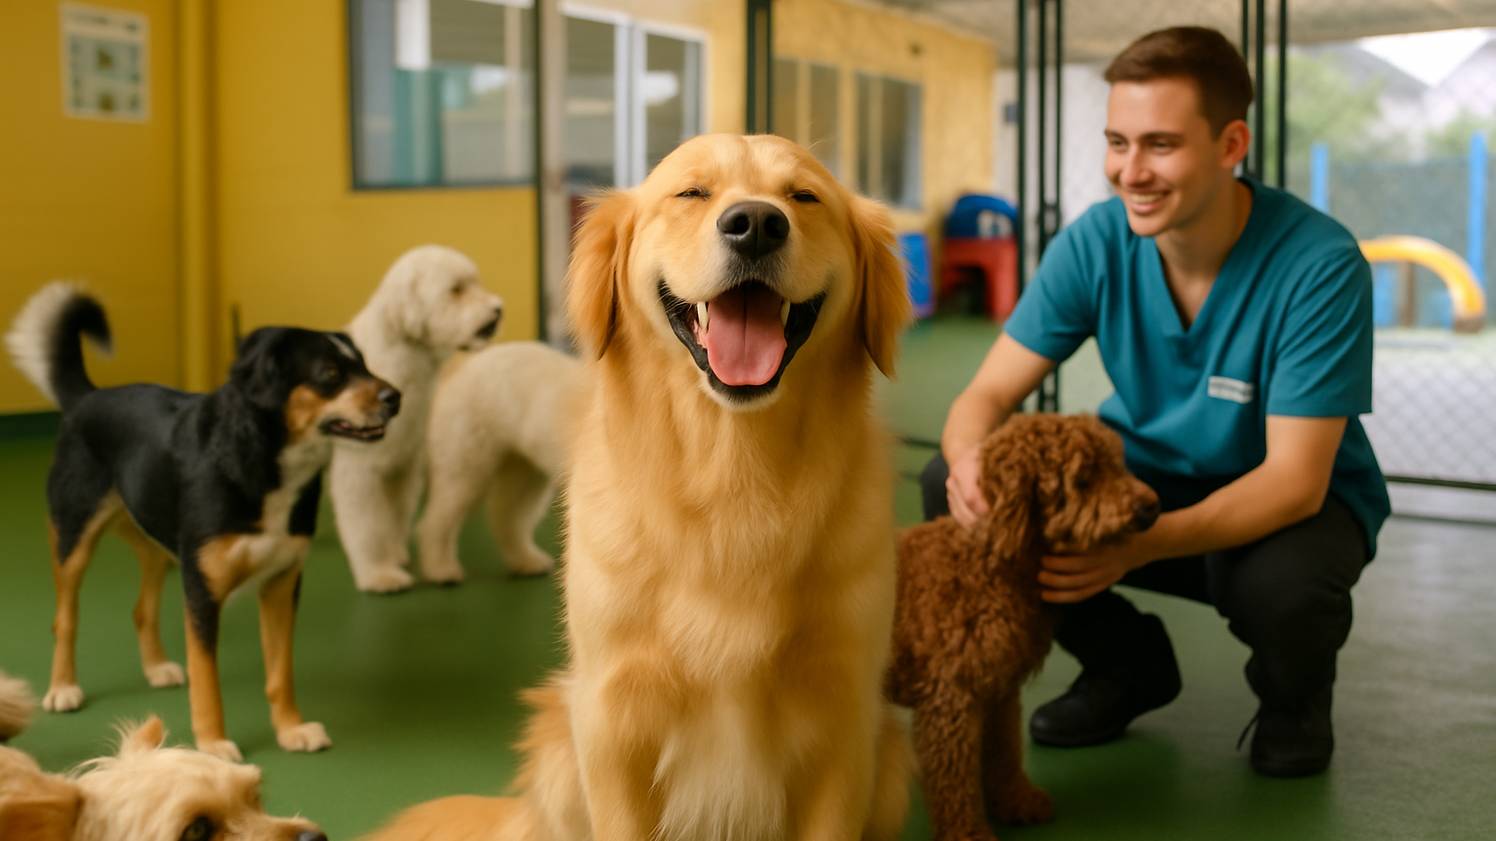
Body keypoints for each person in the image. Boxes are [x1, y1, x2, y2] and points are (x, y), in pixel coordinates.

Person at [921, 25, 1389, 778]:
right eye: (1117, 141)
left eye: (1160, 145)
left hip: (1288, 502)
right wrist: (967, 461)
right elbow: (988, 392)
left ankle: (1292, 700)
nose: (1128, 171)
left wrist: (1137, 545)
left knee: (1282, 587)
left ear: (1231, 142)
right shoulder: (1096, 242)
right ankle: (1126, 665)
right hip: (1145, 478)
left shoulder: (1319, 265)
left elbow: (1295, 480)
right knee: (955, 491)